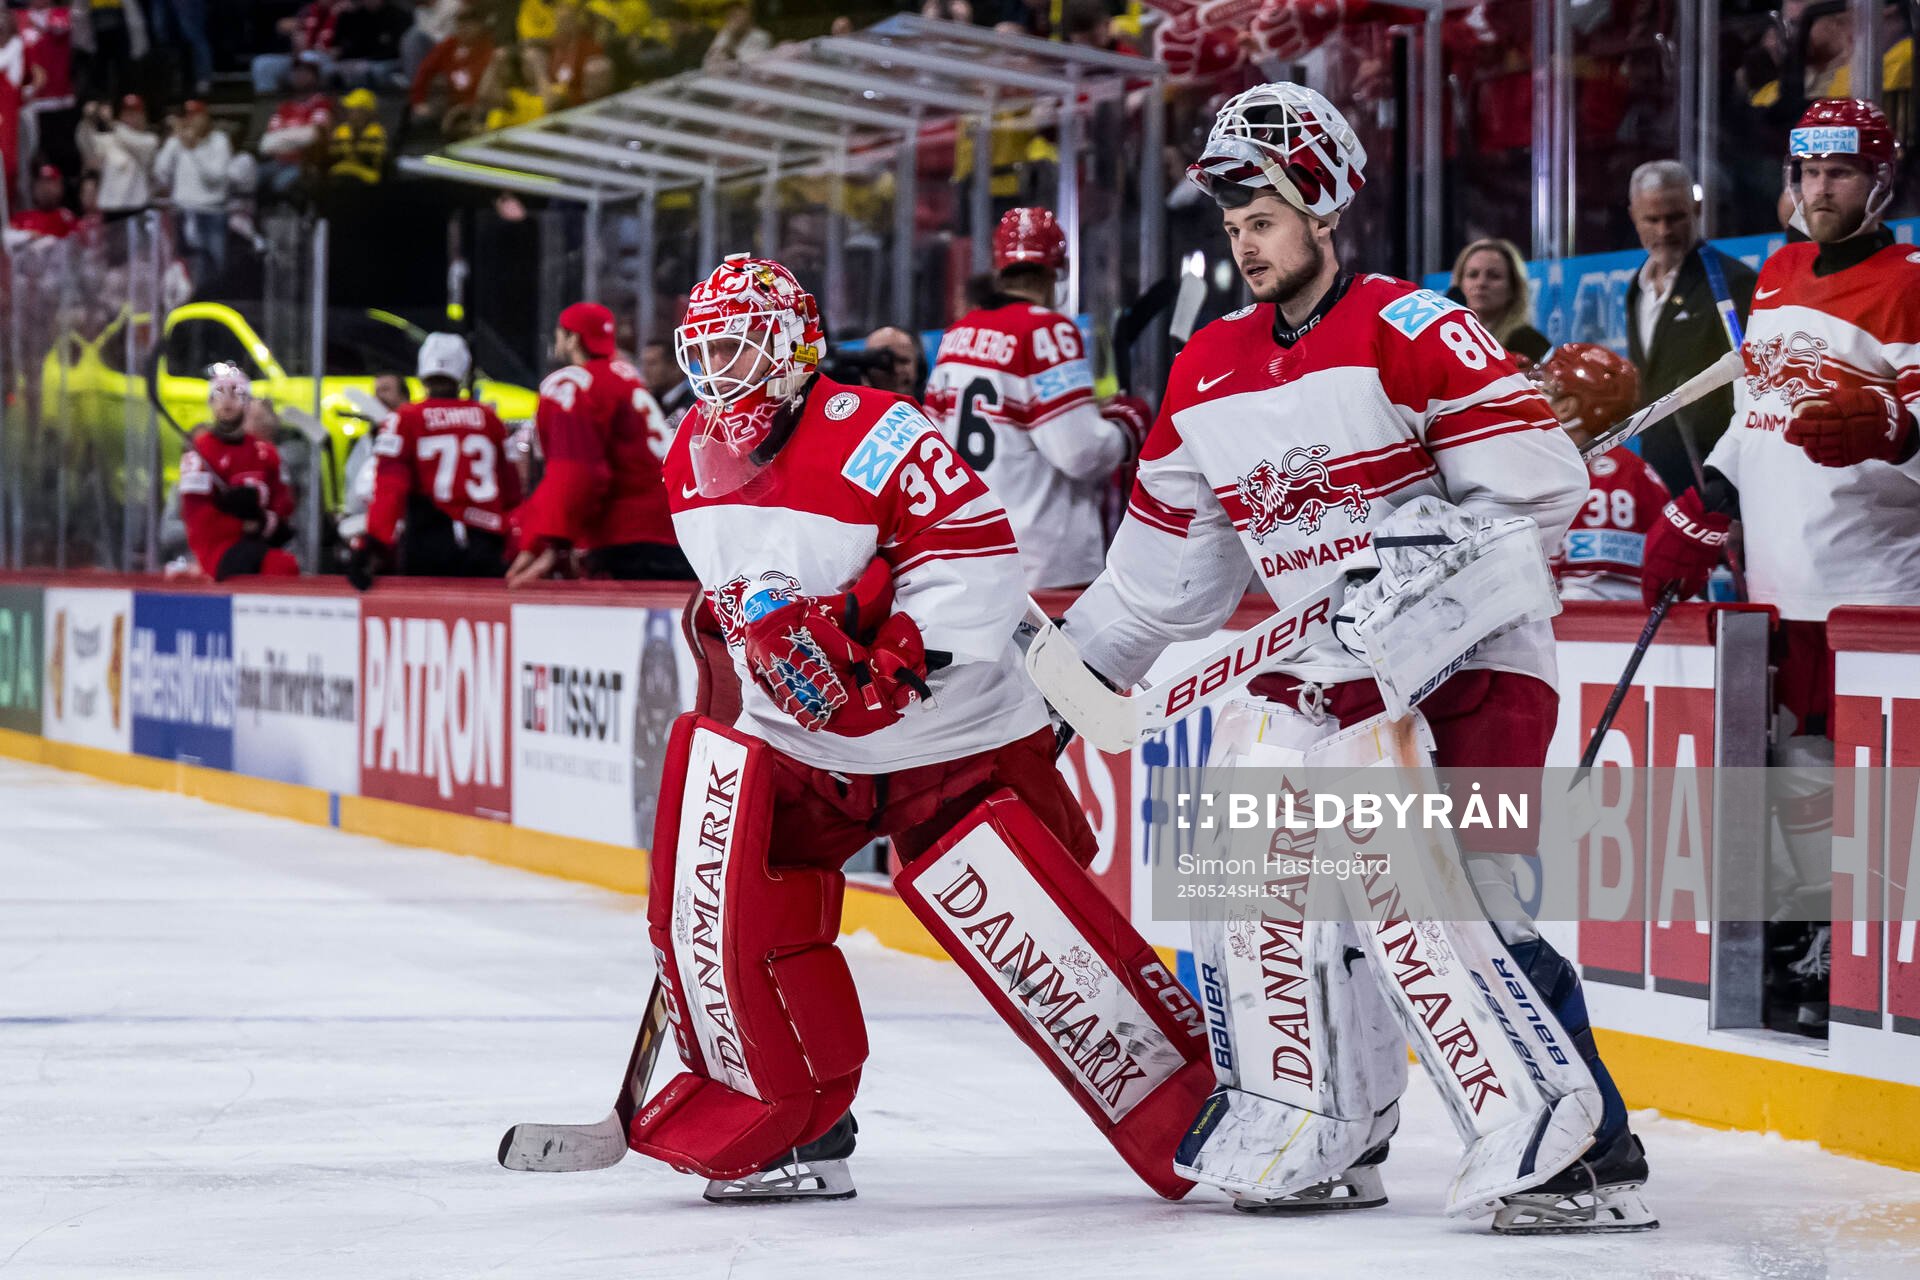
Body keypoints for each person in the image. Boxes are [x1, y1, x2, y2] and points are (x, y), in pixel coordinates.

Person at [1058, 82, 1652, 1232]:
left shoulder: (1411, 325)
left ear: (1324, 205)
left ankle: (1590, 1154)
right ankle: (1331, 1124)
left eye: (1264, 217)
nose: (1243, 241)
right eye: (1231, 225)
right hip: (1329, 681)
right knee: (1277, 891)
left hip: (1477, 666)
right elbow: (1161, 582)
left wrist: (1424, 568)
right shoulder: (1208, 370)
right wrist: (1070, 681)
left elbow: (1536, 493)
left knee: (1464, 908)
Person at [624, 251, 1213, 1205]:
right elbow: (736, 601)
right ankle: (803, 1122)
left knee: (1038, 935)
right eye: (706, 352)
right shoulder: (688, 454)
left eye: (737, 347)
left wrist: (896, 665)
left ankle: (1192, 1112)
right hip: (809, 743)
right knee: (726, 901)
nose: (717, 373)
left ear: (790, 347)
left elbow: (977, 564)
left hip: (953, 738)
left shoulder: (880, 431)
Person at [1640, 98, 1920, 1037]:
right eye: (1808, 172)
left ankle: (1859, 951)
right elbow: (1757, 414)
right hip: (1780, 591)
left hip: (1879, 598)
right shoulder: (1780, 272)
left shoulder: (1911, 282)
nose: (1820, 188)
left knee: (1863, 789)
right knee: (1793, 776)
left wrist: (1900, 428)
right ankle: (1807, 942)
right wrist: (1706, 499)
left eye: (1840, 171)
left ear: (1880, 178)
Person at [922, 207, 1150, 590]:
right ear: (1055, 272)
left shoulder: (956, 335)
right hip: (1044, 562)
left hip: (969, 555)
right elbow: (1080, 452)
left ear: (1000, 268)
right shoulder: (1047, 329)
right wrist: (1128, 424)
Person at [506, 301, 690, 583]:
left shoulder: (574, 382)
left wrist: (551, 542)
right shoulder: (627, 377)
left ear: (572, 338)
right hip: (676, 530)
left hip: (627, 539)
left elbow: (576, 471)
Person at [1623, 159, 1759, 495]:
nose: (1664, 231)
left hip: (1717, 483)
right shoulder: (1635, 289)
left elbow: (1753, 389)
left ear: (1696, 209)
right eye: (1651, 220)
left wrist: (1734, 489)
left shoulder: (1732, 283)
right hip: (1658, 477)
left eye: (1675, 217)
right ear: (1633, 216)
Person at [350, 334, 519, 587]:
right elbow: (512, 491)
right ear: (462, 372)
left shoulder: (405, 419)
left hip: (429, 540)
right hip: (485, 543)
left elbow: (390, 488)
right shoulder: (489, 420)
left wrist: (372, 544)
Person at [1533, 343, 1669, 602]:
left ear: (1566, 408)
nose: (1531, 396)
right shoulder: (1549, 465)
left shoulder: (1613, 481)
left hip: (1597, 636)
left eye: (1546, 388)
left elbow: (1594, 600)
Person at [178, 364, 299, 581]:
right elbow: (198, 520)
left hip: (258, 545)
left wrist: (266, 521)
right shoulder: (199, 454)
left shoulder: (265, 453)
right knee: (275, 566)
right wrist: (242, 525)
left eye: (236, 393)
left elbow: (283, 504)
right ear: (210, 402)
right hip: (218, 550)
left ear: (248, 402)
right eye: (219, 393)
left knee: (285, 565)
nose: (227, 400)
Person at [155, 100, 231, 282]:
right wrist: (172, 142)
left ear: (205, 117)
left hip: (211, 213)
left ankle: (213, 304)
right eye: (187, 116)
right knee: (183, 267)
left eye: (196, 115)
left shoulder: (219, 140)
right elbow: (160, 172)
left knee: (214, 267)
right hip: (182, 213)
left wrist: (193, 148)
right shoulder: (177, 141)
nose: (191, 120)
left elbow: (216, 177)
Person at [1449, 238, 1549, 367]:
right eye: (1473, 275)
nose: (1481, 283)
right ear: (1459, 283)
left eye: (1494, 276)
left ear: (1514, 287)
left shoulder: (1529, 342)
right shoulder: (1450, 339)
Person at [258, 54, 333, 200]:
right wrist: (298, 137)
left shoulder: (322, 104)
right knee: (251, 178)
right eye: (296, 71)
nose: (299, 75)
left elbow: (313, 137)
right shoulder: (284, 107)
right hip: (279, 162)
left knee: (280, 184)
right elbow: (268, 143)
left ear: (315, 76)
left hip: (306, 164)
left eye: (305, 71)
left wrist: (285, 137)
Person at [78, 94, 159, 213]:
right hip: (110, 208)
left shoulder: (149, 140)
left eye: (135, 114)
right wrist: (88, 120)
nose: (131, 118)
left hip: (137, 206)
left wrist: (110, 121)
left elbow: (130, 139)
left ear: (143, 116)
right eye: (127, 114)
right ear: (121, 115)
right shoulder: (109, 139)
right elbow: (86, 146)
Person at [327, 88, 387, 185]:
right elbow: (335, 156)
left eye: (355, 109)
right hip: (340, 173)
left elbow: (368, 159)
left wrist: (351, 148)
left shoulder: (376, 132)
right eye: (349, 109)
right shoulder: (341, 130)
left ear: (367, 113)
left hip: (367, 176)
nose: (350, 113)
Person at [6, 164, 77, 243]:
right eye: (42, 182)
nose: (45, 188)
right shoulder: (20, 218)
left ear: (60, 187)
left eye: (50, 182)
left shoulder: (65, 218)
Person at [858, 326, 923, 401]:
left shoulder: (932, 410)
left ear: (918, 364)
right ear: (867, 370)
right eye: (884, 363)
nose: (896, 370)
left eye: (903, 361)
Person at [700, 1, 769, 71]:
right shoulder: (725, 33)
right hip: (718, 78)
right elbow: (706, 63)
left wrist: (726, 51)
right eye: (730, 14)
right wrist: (730, 37)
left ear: (750, 17)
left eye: (737, 15)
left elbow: (746, 67)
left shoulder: (761, 37)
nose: (732, 18)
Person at [639, 337, 692, 423]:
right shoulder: (647, 404)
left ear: (675, 367)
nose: (645, 370)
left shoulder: (692, 407)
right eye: (644, 363)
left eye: (652, 363)